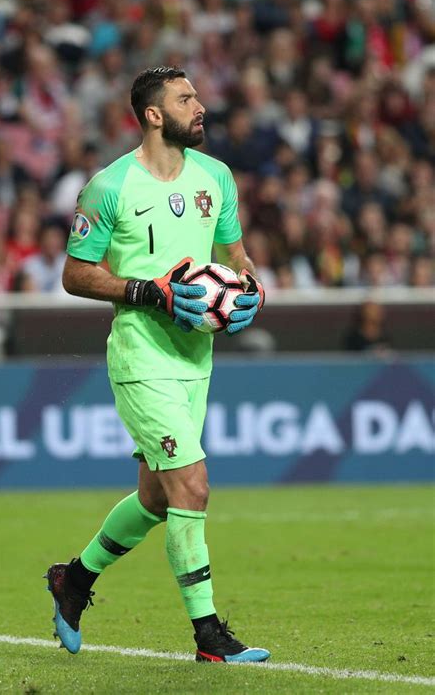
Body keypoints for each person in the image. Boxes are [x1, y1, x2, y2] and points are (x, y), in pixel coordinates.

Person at [45, 66, 269, 664]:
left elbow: (235, 257)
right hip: (142, 355)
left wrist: (249, 289)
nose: (200, 106)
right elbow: (75, 274)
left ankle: (74, 581)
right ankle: (209, 637)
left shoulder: (216, 177)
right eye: (185, 99)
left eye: (197, 95)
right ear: (152, 115)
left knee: (154, 497)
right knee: (191, 486)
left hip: (197, 357)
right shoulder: (108, 186)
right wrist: (150, 292)